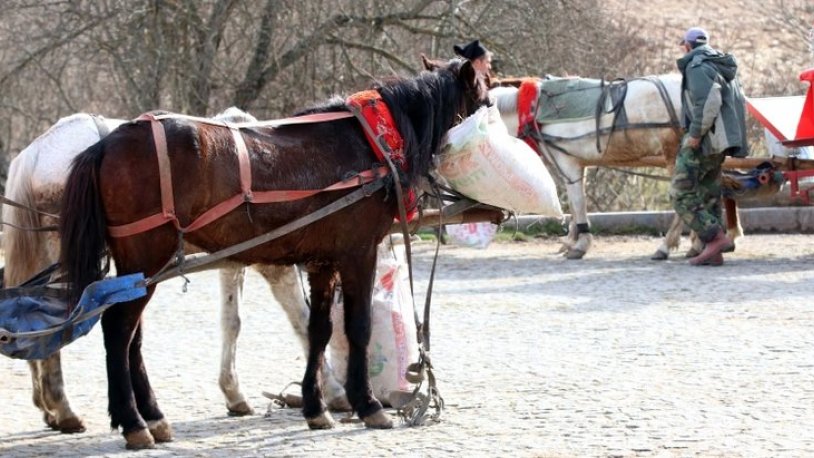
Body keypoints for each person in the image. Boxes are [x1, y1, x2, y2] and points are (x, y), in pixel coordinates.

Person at [672, 26, 748, 266]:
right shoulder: (719, 64)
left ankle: (713, 237)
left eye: (683, 43)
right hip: (721, 142)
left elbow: (709, 101)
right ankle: (713, 252)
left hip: (705, 140)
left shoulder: (696, 66)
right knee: (709, 192)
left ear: (688, 45)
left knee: (680, 192)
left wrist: (695, 134)